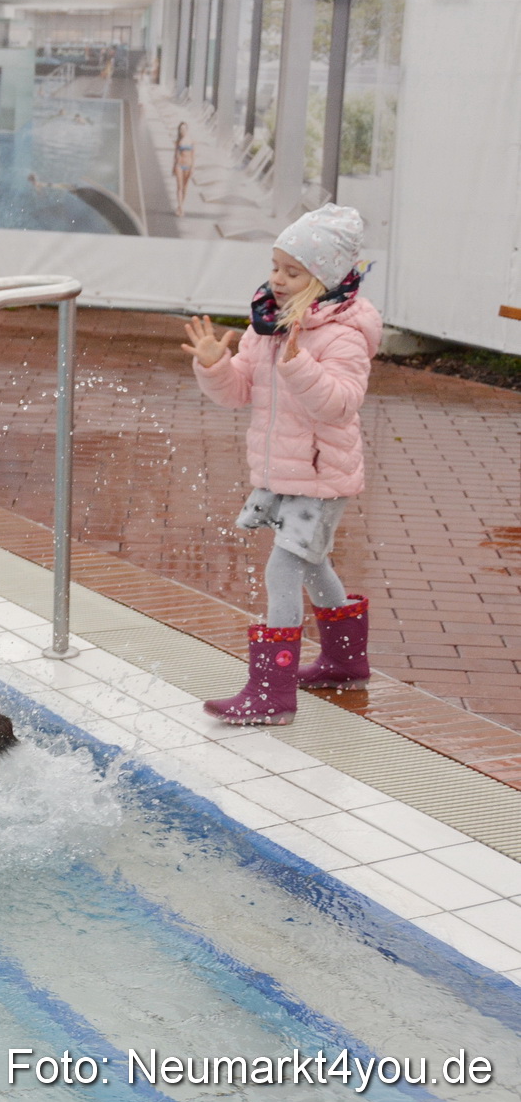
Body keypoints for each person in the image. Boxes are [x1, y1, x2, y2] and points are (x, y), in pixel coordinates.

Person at [181, 203, 381, 726]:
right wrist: (214, 365)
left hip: (321, 478)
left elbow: (340, 403)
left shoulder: (343, 335)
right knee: (312, 563)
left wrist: (299, 366)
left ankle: (272, 692)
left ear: (325, 278)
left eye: (292, 271)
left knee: (283, 567)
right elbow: (239, 391)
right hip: (285, 474)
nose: (278, 279)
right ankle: (344, 663)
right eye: (275, 266)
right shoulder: (267, 327)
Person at [172, 122, 195, 215]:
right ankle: (180, 207)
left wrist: (193, 167)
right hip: (179, 165)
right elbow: (176, 155)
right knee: (179, 187)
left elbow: (193, 156)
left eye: (184, 129)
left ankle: (181, 205)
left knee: (185, 188)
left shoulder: (191, 141)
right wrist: (174, 166)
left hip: (188, 166)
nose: (183, 131)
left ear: (187, 130)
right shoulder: (178, 141)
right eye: (181, 129)